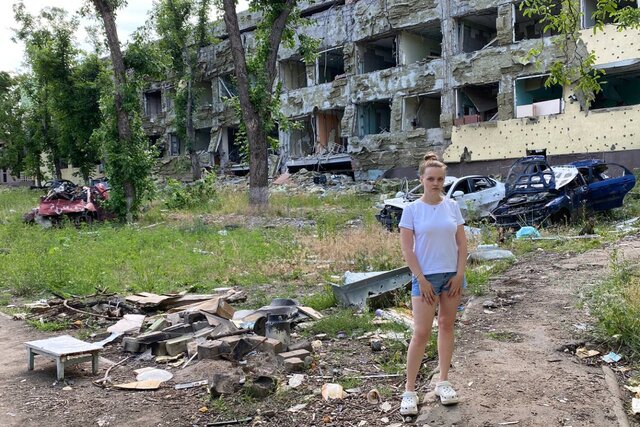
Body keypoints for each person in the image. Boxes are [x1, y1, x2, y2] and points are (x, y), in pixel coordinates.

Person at [398, 152, 468, 415]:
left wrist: (459, 274)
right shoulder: (411, 210)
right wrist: (421, 279)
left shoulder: (452, 206)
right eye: (431, 179)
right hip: (425, 278)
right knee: (421, 333)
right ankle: (409, 391)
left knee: (447, 326)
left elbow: (462, 243)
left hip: (451, 276)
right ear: (421, 179)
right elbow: (407, 250)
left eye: (440, 179)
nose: (436, 183)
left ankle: (443, 382)